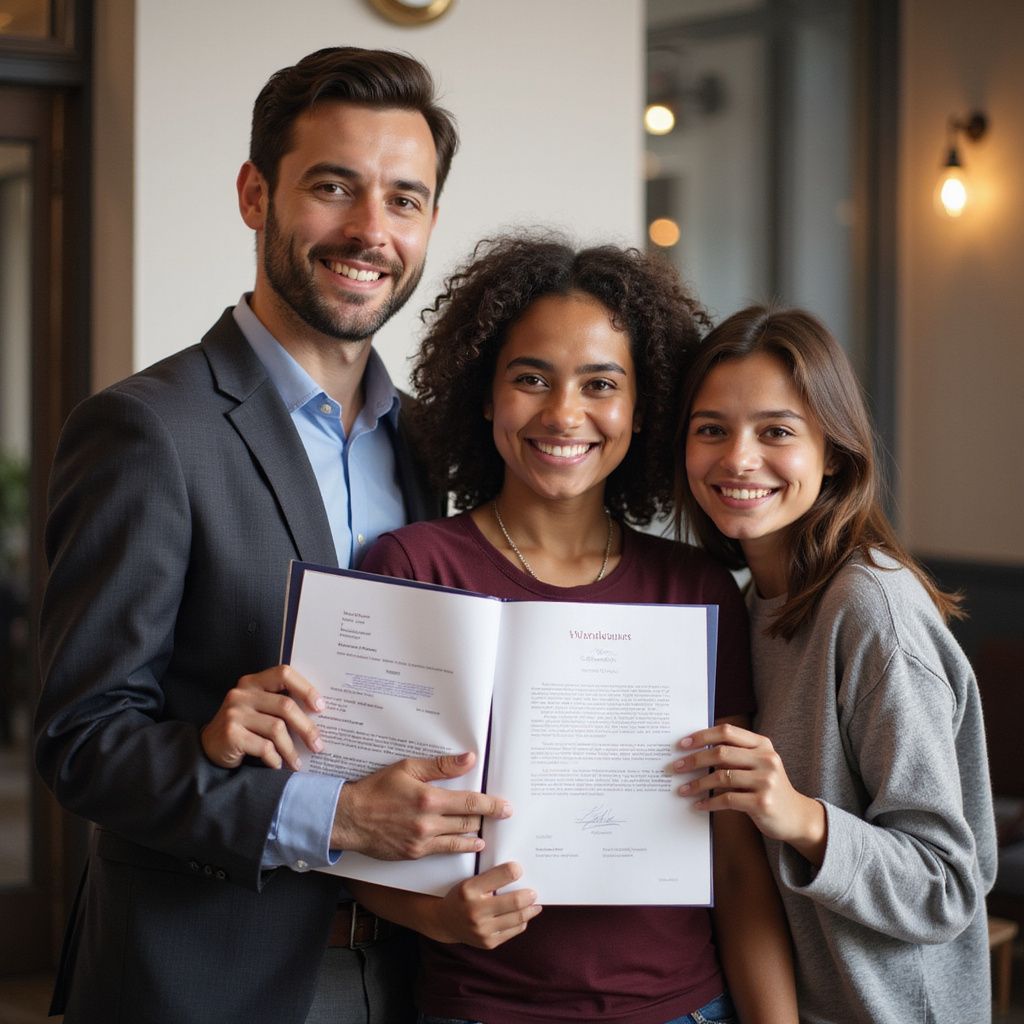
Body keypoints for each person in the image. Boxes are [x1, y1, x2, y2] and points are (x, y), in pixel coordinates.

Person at [34, 47, 511, 1024]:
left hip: (412, 970)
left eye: (405, 199)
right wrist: (330, 815)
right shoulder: (147, 430)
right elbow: (81, 742)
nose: (370, 231)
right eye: (334, 187)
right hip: (205, 975)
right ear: (256, 194)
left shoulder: (434, 445)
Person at [338, 235, 798, 1022]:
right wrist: (431, 915)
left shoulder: (696, 590)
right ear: (485, 394)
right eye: (530, 379)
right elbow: (342, 825)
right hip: (480, 1009)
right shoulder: (413, 568)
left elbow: (736, 857)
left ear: (642, 406)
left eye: (600, 384)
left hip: (686, 1009)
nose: (563, 414)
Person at [672, 305, 997, 1023]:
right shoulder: (751, 601)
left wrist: (799, 816)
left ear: (834, 454)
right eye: (711, 429)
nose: (738, 459)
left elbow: (946, 884)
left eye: (777, 431)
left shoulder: (869, 607)